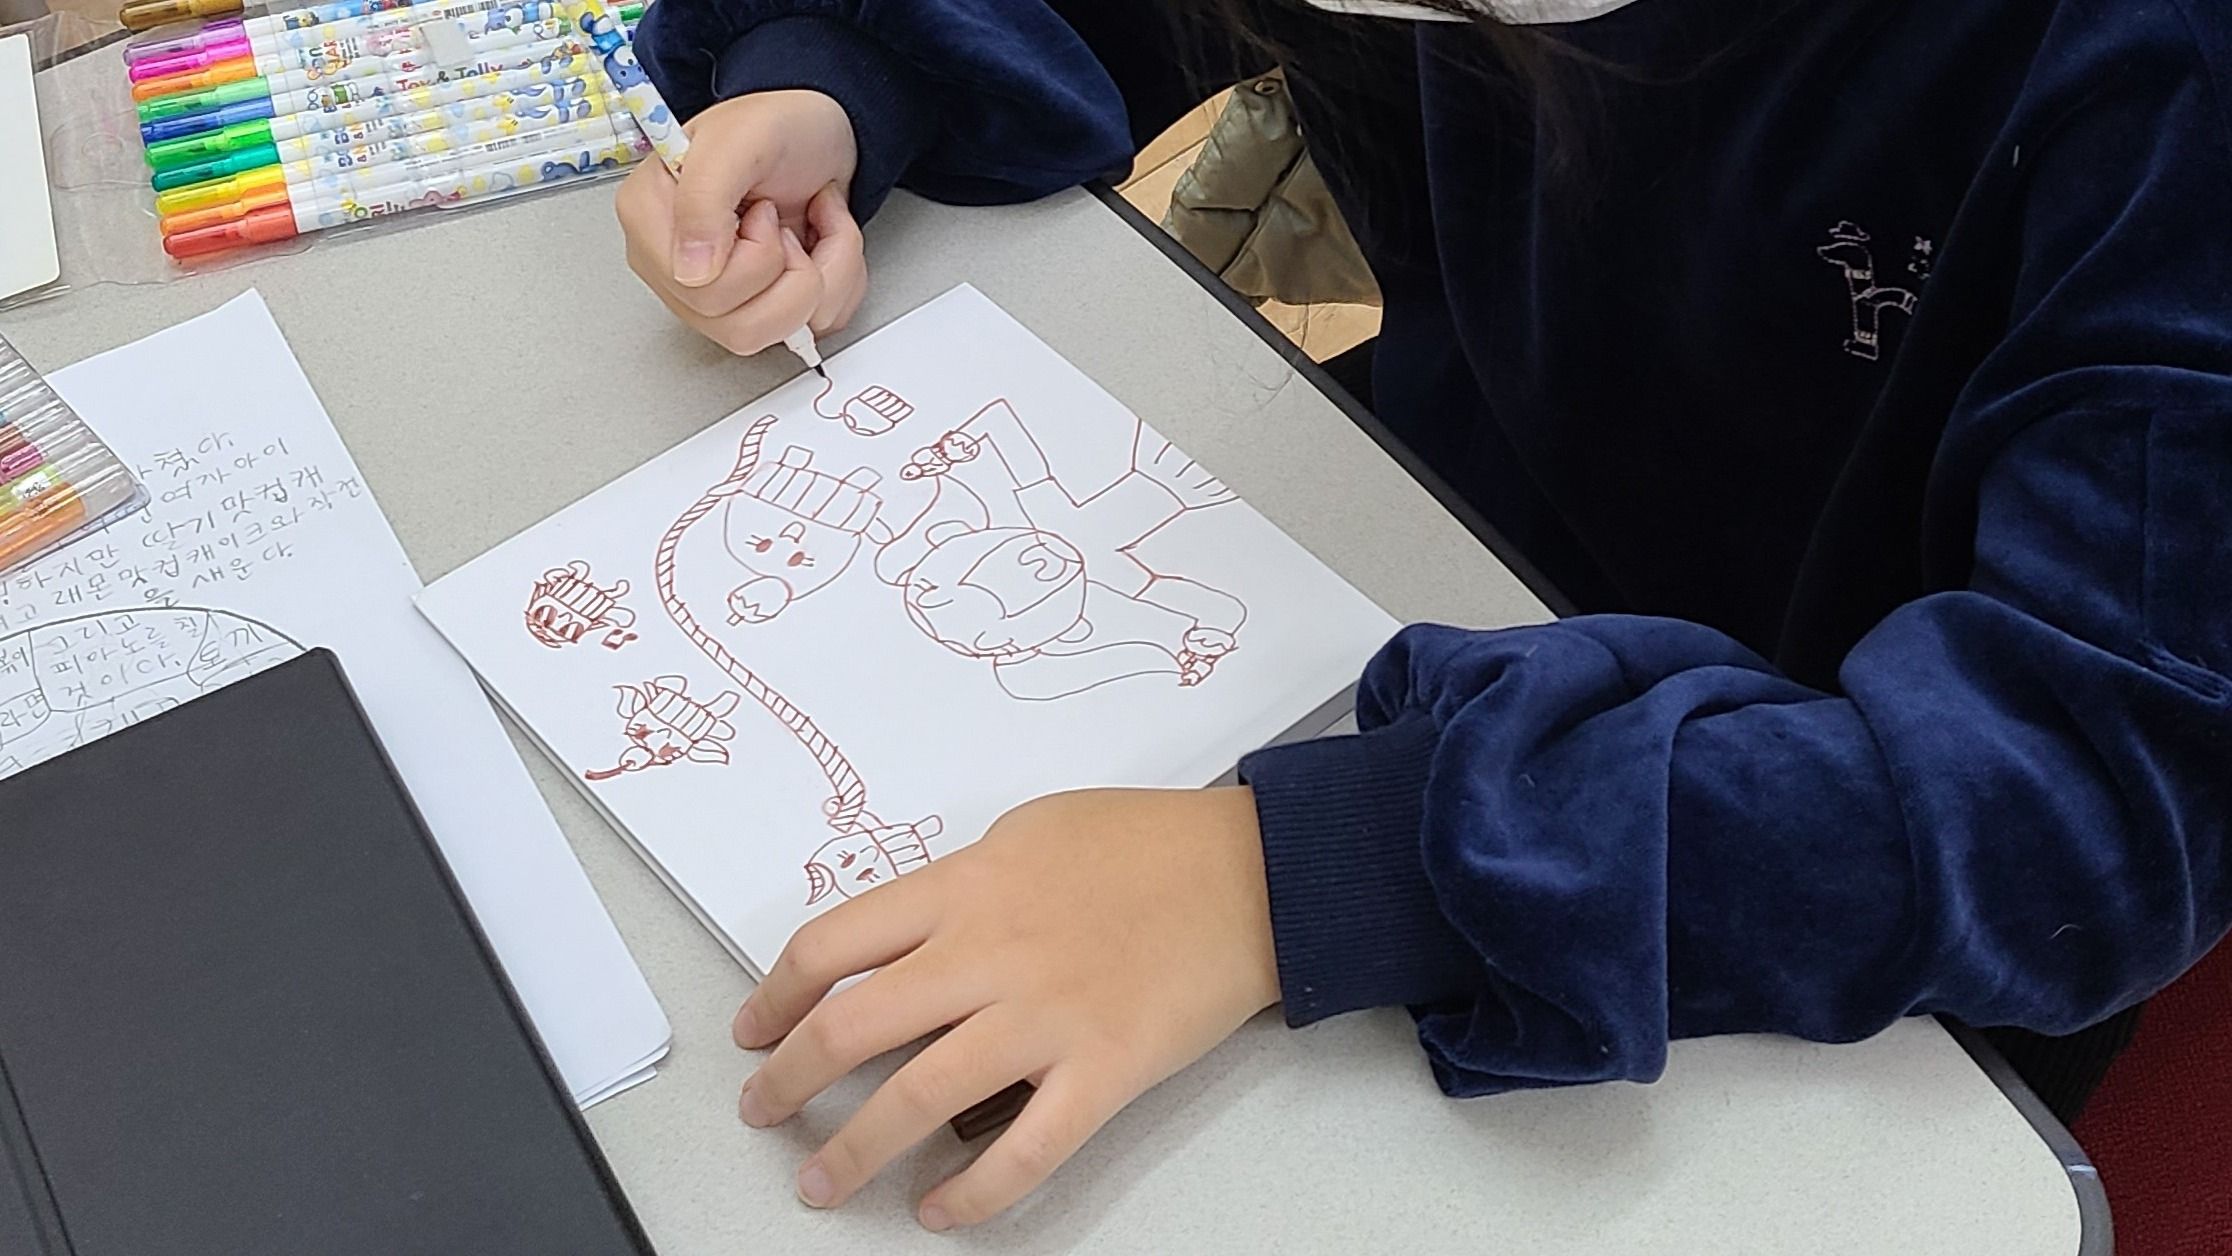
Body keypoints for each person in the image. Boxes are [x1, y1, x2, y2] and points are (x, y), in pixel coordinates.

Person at [616, 0, 2232, 1232]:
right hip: (1445, 583)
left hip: (1818, 864)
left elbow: (2090, 799)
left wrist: (1312, 868)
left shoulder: (2159, 82)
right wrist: (840, 75)